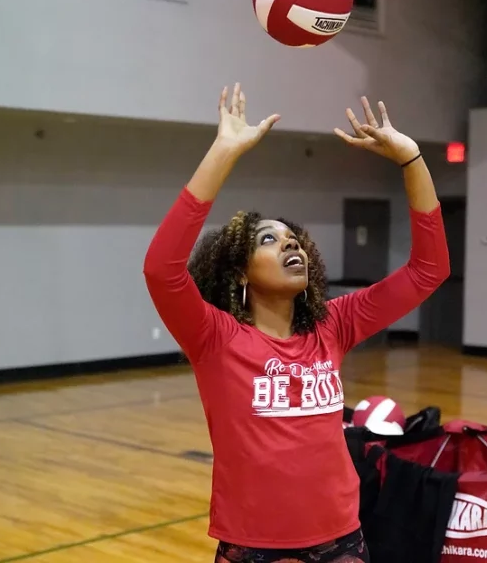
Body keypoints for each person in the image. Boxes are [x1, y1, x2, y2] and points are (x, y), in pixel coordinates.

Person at [143, 83, 450, 563]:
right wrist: (223, 152)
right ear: (239, 270)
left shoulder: (333, 324)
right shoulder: (215, 337)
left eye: (295, 240)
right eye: (270, 239)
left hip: (341, 540)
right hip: (254, 547)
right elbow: (161, 269)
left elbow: (429, 270)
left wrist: (412, 160)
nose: (292, 246)